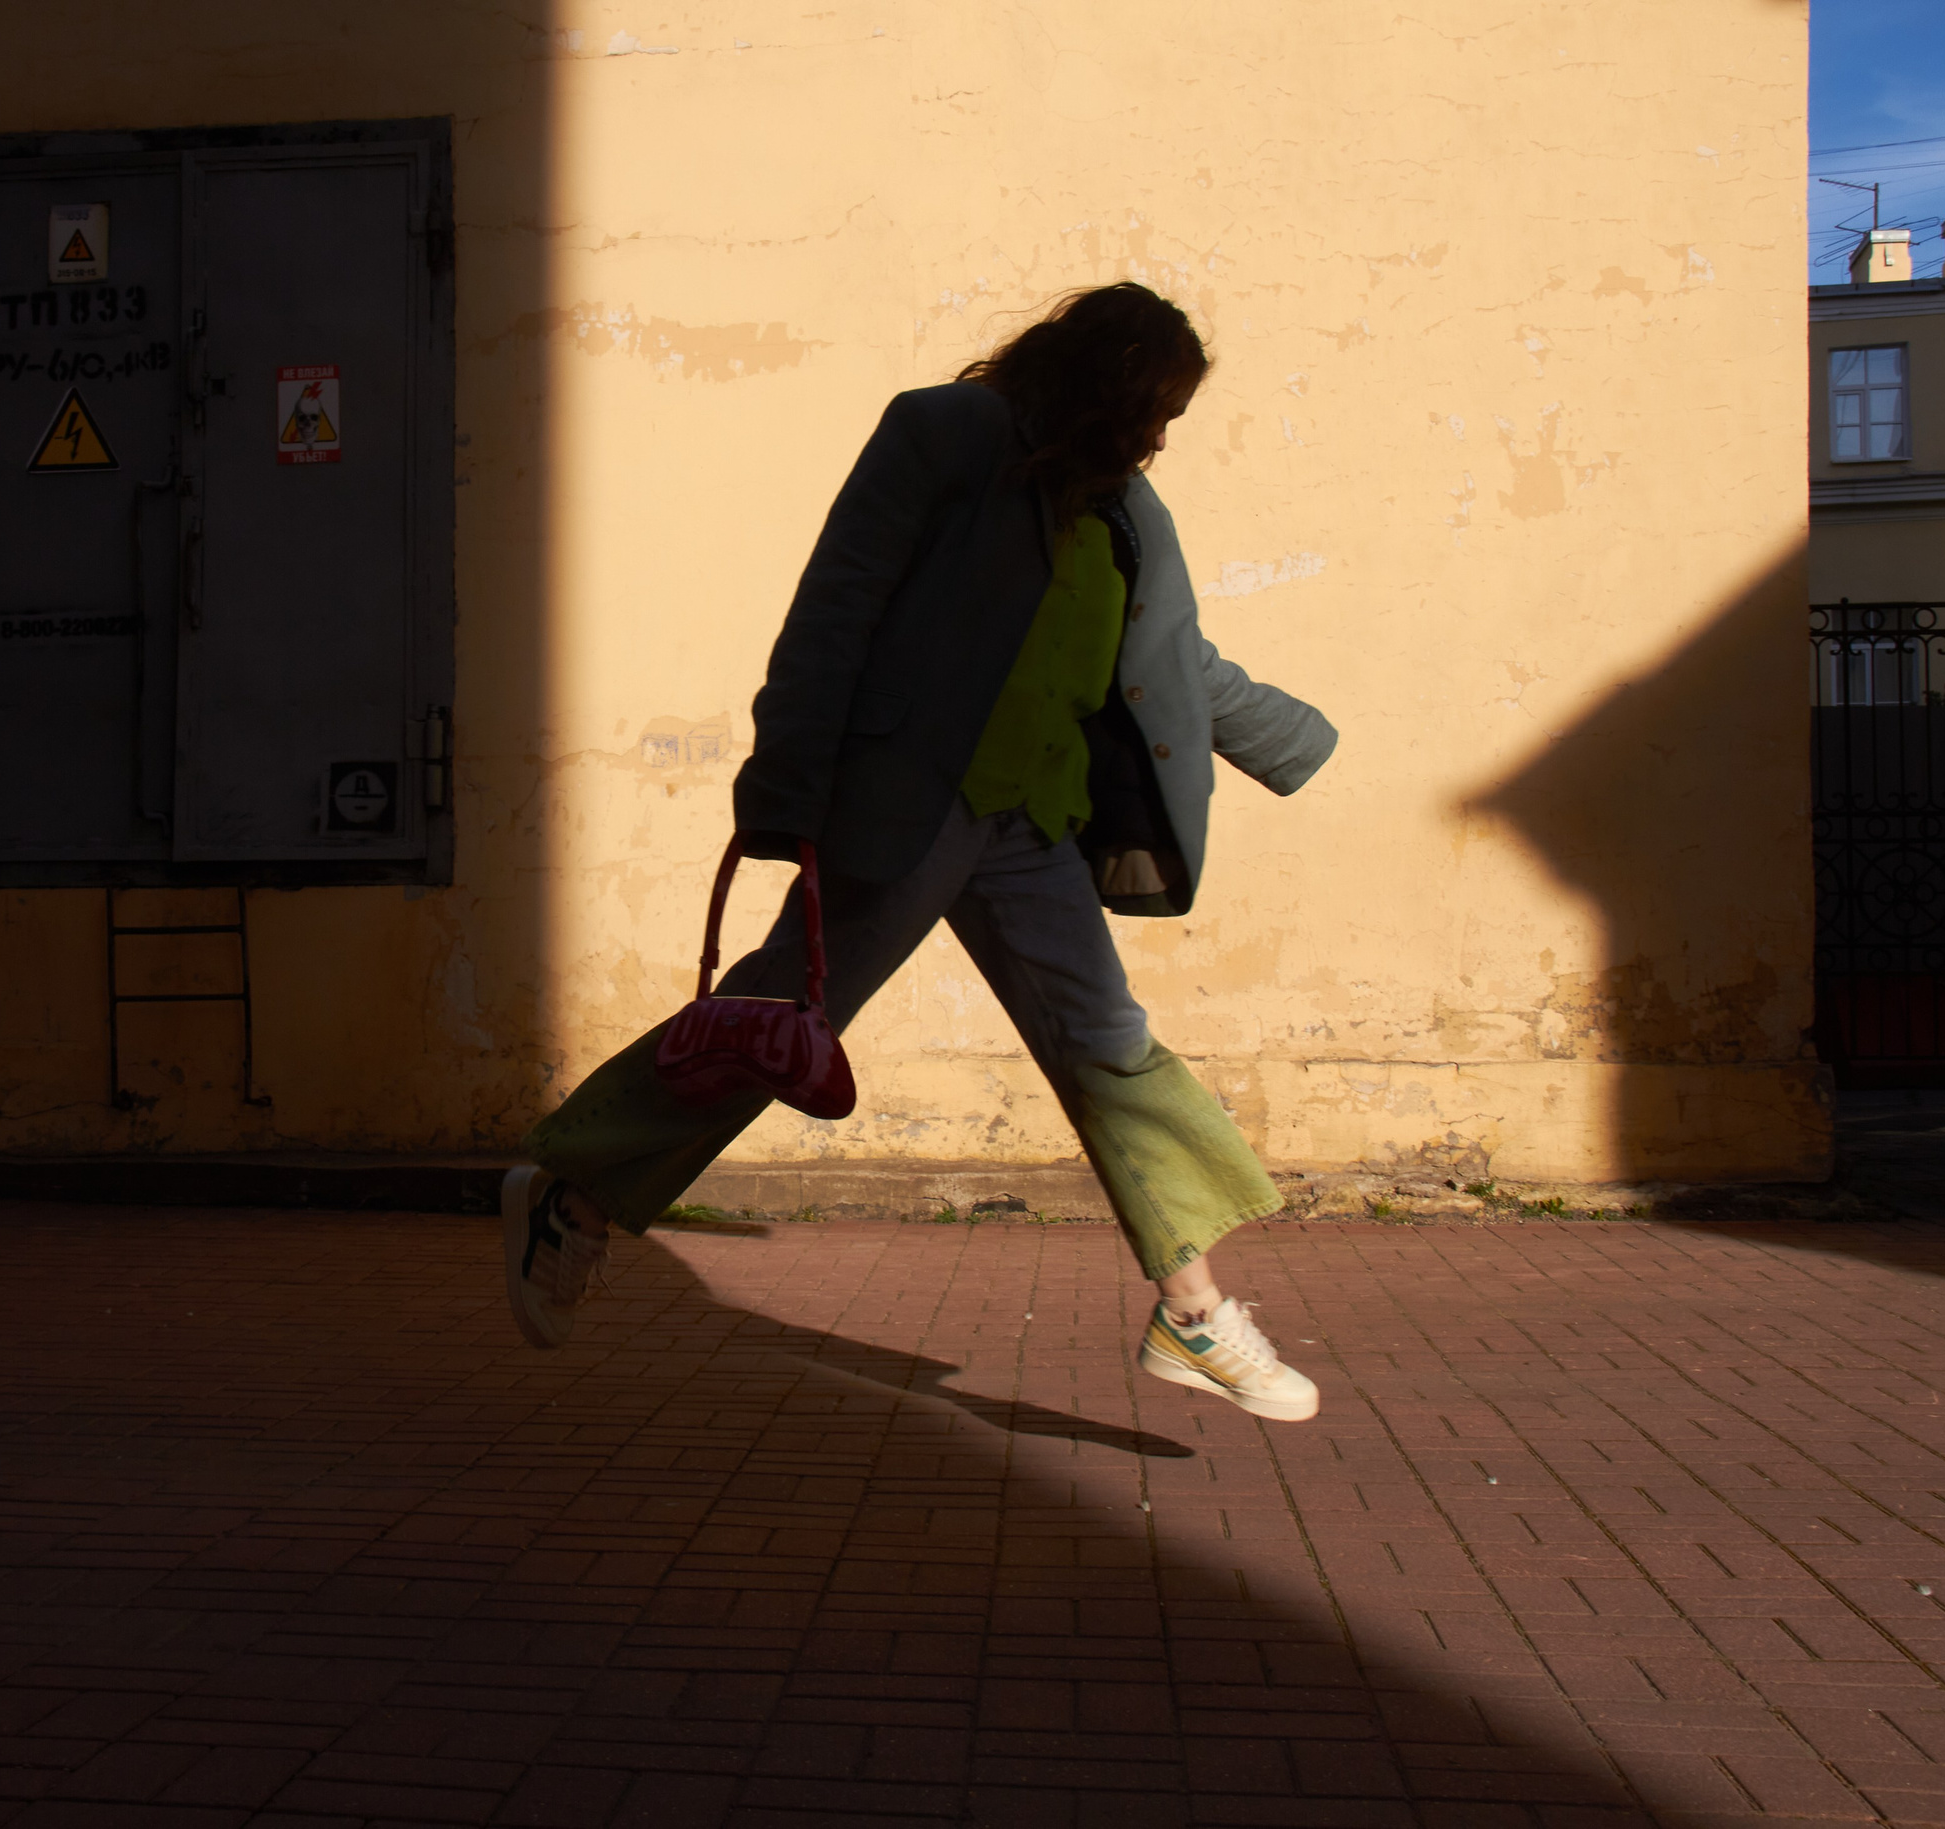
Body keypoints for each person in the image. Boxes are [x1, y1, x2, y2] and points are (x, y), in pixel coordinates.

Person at [502, 282, 1337, 1422]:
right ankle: (574, 1195)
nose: (1157, 435)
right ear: (1097, 377)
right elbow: (835, 608)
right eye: (1151, 406)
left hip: (1033, 821)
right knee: (782, 1017)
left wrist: (1293, 740)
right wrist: (784, 786)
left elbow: (1174, 661)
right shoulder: (945, 435)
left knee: (1108, 1047)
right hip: (912, 801)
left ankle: (1191, 1313)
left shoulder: (1127, 510)